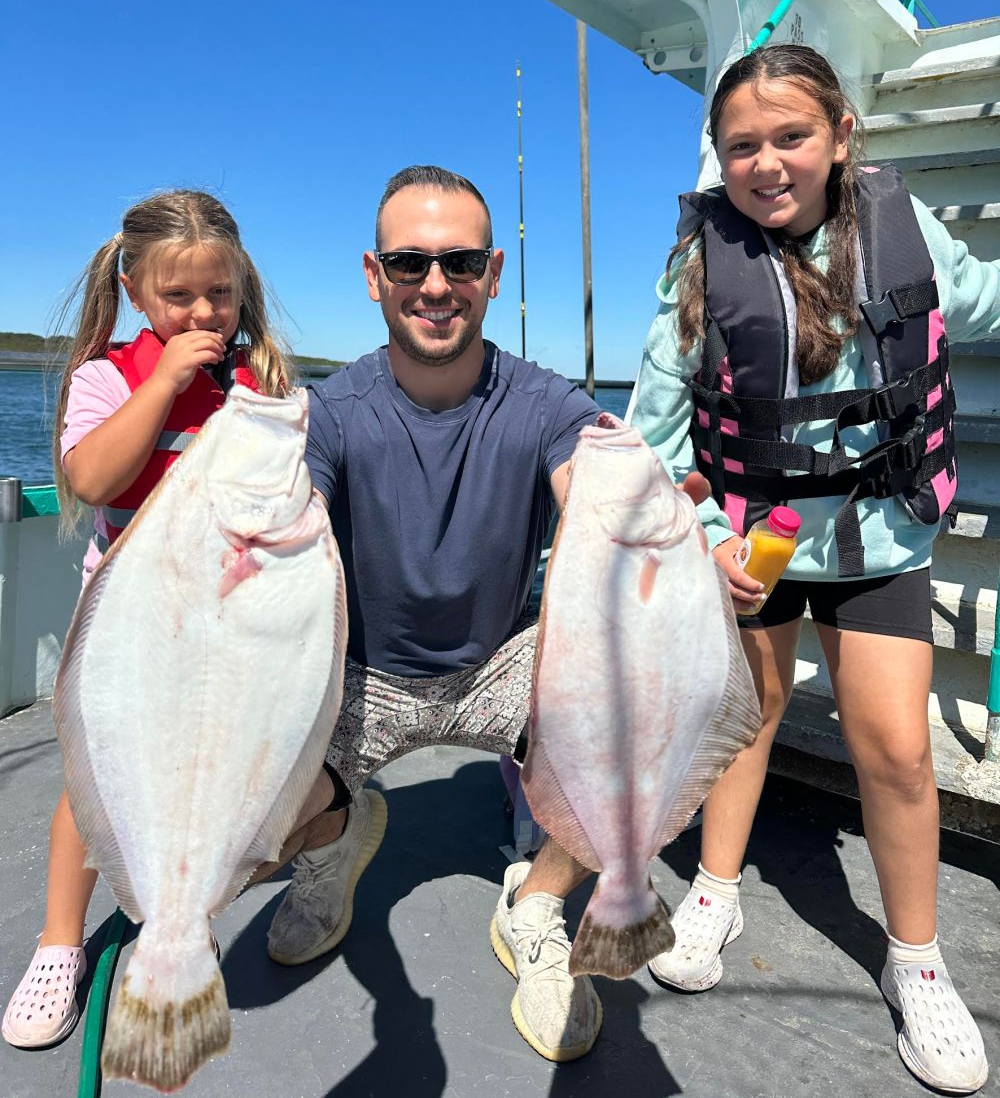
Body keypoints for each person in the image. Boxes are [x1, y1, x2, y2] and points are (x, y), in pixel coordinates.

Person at [258, 164, 705, 1064]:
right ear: (373, 273)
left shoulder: (544, 401)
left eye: (460, 262)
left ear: (494, 273)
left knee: (634, 715)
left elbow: (590, 483)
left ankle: (537, 901)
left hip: (504, 662)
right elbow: (288, 511)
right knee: (251, 794)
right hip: (366, 674)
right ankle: (337, 840)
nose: (435, 285)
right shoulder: (330, 412)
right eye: (409, 261)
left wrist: (656, 533)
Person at [630, 44, 995, 1095]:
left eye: (790, 136)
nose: (766, 162)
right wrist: (704, 548)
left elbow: (973, 302)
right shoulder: (698, 265)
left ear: (840, 136)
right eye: (741, 145)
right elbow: (652, 434)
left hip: (882, 539)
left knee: (893, 749)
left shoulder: (902, 228)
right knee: (743, 719)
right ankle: (713, 886)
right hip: (753, 544)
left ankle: (916, 959)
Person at [2, 190, 290, 1050]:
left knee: (199, 780)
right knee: (99, 786)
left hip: (224, 622)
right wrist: (165, 383)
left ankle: (180, 910)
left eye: (221, 293)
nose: (204, 312)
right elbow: (90, 478)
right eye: (180, 297)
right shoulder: (106, 377)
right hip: (128, 624)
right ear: (135, 291)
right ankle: (60, 944)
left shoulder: (256, 379)